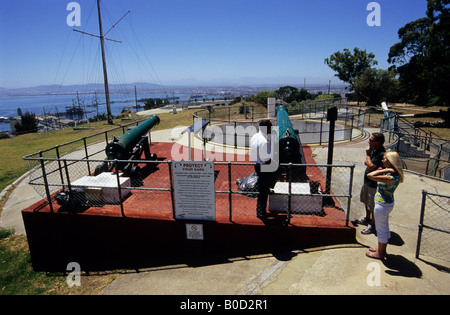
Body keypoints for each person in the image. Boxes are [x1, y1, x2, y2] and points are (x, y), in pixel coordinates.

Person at [366, 151, 404, 260]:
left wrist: (384, 170)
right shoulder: (392, 175)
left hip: (382, 205)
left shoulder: (391, 177)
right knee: (384, 227)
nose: (382, 161)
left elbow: (370, 175)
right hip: (386, 204)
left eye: (385, 159)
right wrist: (385, 170)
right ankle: (381, 249)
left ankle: (380, 253)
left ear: (391, 162)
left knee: (381, 229)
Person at [357, 132, 386, 234]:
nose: (369, 141)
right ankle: (367, 218)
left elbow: (369, 166)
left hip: (374, 184)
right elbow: (367, 163)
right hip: (367, 181)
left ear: (378, 142)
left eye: (371, 140)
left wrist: (368, 155)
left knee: (372, 205)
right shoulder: (374, 150)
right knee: (366, 201)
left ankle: (373, 224)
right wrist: (369, 159)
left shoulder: (381, 154)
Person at [250, 119, 276, 220]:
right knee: (263, 191)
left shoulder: (255, 136)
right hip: (264, 167)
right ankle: (261, 213)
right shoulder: (265, 142)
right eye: (270, 126)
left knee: (261, 190)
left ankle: (260, 211)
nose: (272, 128)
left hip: (257, 165)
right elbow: (268, 160)